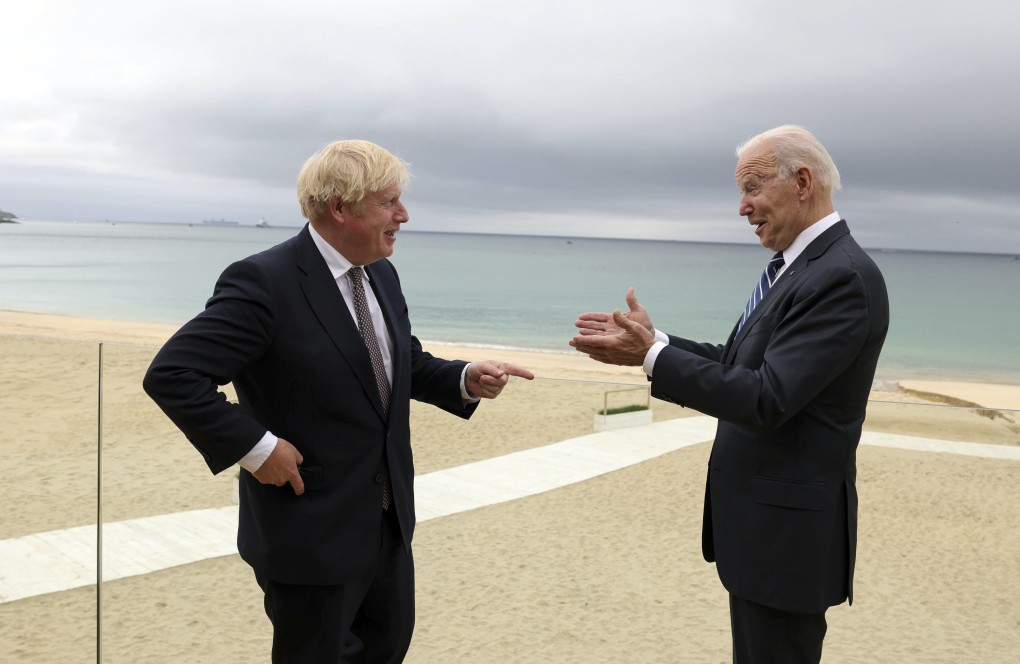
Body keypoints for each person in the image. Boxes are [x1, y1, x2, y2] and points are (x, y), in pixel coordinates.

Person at [143, 139, 533, 663]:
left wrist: (464, 377)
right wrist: (258, 450)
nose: (404, 215)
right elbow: (173, 374)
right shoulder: (264, 281)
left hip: (388, 523)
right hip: (308, 532)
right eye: (388, 203)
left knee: (387, 650)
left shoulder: (381, 273)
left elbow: (398, 363)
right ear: (340, 208)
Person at [570, 125, 889, 663]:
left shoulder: (841, 277)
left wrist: (650, 360)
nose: (742, 207)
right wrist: (656, 342)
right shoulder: (799, 268)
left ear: (803, 181)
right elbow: (738, 361)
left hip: (787, 540)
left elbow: (766, 397)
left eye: (753, 188)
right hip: (763, 531)